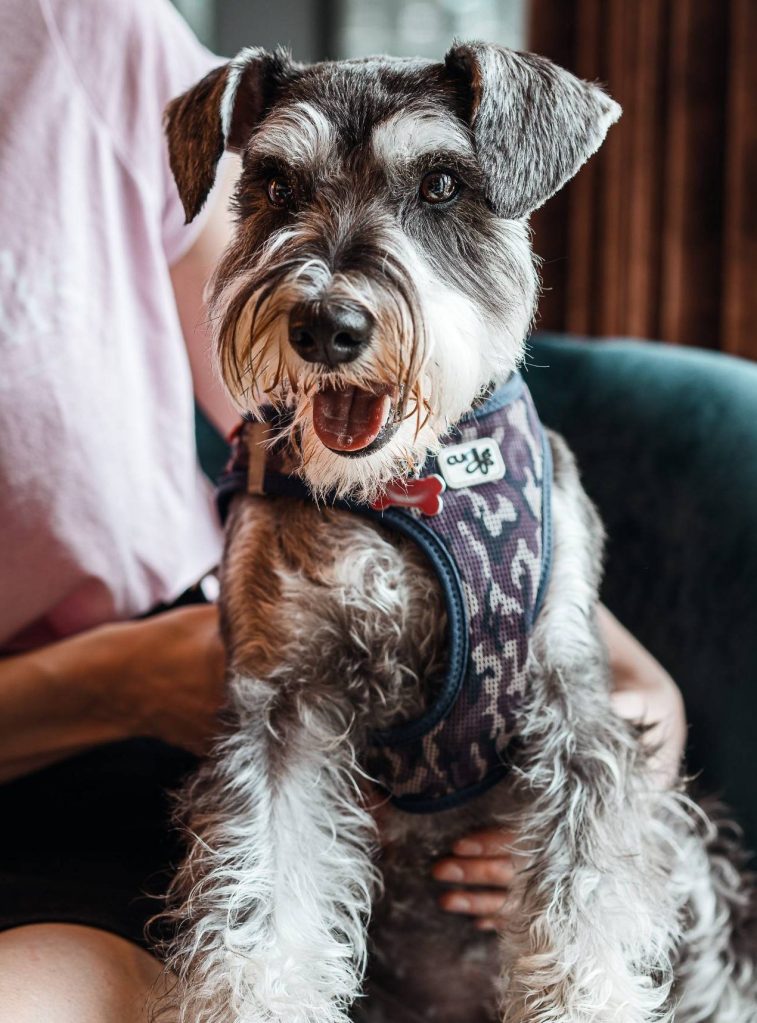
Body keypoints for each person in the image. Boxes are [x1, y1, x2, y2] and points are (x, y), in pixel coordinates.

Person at [0, 1, 686, 1019]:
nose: (326, 294)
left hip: (188, 718)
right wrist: (118, 681)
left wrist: (609, 659)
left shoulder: (78, 30)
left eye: (440, 186)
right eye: (277, 187)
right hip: (119, 768)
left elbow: (317, 454)